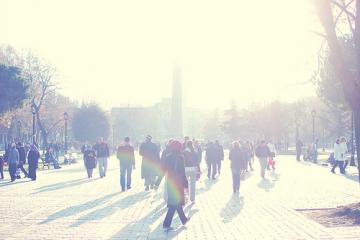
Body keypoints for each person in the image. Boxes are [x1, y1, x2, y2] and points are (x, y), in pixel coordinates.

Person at [163, 140, 189, 230]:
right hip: (178, 182)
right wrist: (186, 183)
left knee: (175, 202)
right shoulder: (181, 157)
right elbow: (182, 172)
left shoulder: (167, 157)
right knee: (175, 203)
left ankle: (184, 219)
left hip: (170, 182)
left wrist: (157, 182)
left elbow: (163, 170)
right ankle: (166, 224)